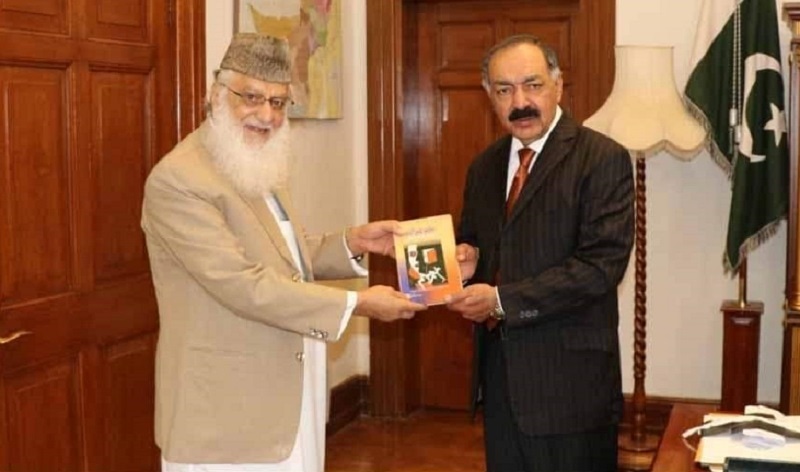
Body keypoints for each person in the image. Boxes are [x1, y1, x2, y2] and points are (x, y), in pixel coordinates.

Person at [141, 33, 426, 472]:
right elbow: (241, 284)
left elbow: (282, 256)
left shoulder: (249, 161)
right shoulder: (180, 180)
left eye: (278, 102)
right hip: (227, 414)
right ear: (217, 94)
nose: (267, 115)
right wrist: (358, 304)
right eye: (252, 97)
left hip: (288, 393)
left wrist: (353, 241)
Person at [446, 34, 635, 472]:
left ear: (558, 86)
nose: (520, 102)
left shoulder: (601, 159)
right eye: (504, 89)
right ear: (488, 95)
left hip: (570, 385)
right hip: (502, 384)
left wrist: (500, 301)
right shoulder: (484, 166)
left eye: (532, 85)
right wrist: (470, 262)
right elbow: (477, 246)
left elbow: (599, 267)